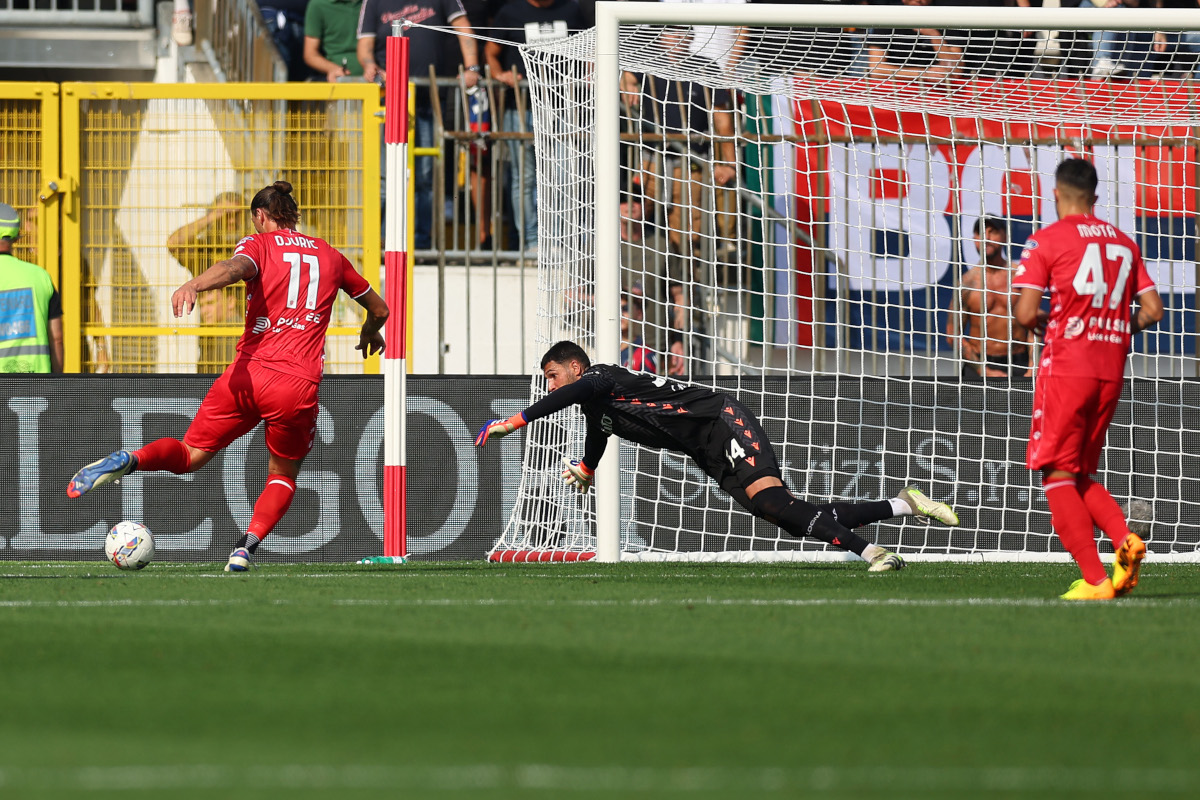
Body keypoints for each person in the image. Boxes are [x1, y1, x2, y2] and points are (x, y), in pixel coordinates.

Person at [67, 182, 389, 572]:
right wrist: (369, 330)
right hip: (295, 385)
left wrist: (193, 284)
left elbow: (236, 269)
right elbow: (380, 308)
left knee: (189, 455)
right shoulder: (330, 256)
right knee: (283, 474)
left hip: (246, 375)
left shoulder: (258, 245)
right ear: (294, 215)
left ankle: (131, 459)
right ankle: (244, 548)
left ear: (260, 216)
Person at [476, 341, 961, 570]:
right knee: (789, 516)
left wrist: (514, 422)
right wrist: (586, 467)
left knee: (776, 505)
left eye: (553, 374)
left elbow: (567, 398)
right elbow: (599, 435)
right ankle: (905, 504)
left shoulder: (602, 376)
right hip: (705, 451)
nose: (551, 384)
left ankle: (873, 553)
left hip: (720, 419)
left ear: (575, 367)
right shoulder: (598, 407)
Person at [1012, 158, 1164, 600]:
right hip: (1110, 368)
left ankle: (1097, 579)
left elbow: (1023, 314)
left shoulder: (1046, 240)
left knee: (1054, 474)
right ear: (1095, 198)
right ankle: (1126, 540)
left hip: (1067, 366)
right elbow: (1153, 311)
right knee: (1078, 472)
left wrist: (1045, 320)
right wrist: (1117, 327)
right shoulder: (1124, 243)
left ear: (1055, 193)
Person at [358, 0, 482, 251]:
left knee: (425, 176)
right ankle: (381, 244)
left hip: (427, 100)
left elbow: (463, 26)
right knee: (386, 176)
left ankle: (420, 245)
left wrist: (472, 67)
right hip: (389, 102)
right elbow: (364, 45)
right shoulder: (374, 2)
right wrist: (368, 64)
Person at [486, 0, 587, 253]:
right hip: (521, 107)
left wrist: (589, 72)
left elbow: (590, 48)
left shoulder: (572, 9)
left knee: (564, 176)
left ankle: (561, 243)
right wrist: (500, 75)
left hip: (564, 108)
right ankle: (532, 243)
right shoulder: (509, 11)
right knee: (525, 178)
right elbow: (491, 52)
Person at [166, 192, 248, 372]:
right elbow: (174, 243)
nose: (232, 221)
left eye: (236, 215)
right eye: (227, 216)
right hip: (212, 339)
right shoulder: (205, 252)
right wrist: (212, 216)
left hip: (248, 337)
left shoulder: (249, 249)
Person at [945, 216, 1032, 379]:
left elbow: (1033, 325)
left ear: (1005, 236)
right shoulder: (966, 283)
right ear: (974, 239)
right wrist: (983, 370)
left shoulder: (1020, 277)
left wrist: (1033, 365)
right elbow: (953, 335)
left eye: (992, 232)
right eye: (980, 232)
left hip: (1020, 365)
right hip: (979, 365)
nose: (986, 237)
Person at [0, 203, 64, 374]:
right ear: (15, 237)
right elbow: (56, 338)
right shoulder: (40, 277)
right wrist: (57, 384)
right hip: (36, 384)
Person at [304, 0, 365, 81]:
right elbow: (310, 54)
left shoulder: (373, 3)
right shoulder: (318, 4)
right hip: (337, 82)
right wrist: (332, 69)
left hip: (377, 78)